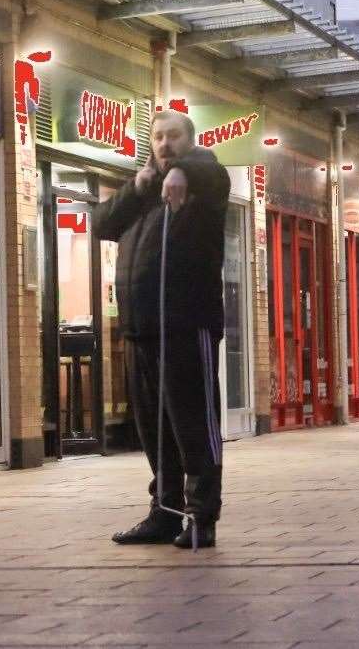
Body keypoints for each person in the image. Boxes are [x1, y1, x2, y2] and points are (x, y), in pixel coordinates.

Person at [94, 109, 230, 550]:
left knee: (193, 425)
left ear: (189, 141)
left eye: (174, 137)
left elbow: (211, 169)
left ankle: (200, 517)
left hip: (187, 325)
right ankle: (165, 513)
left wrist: (184, 172)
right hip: (141, 328)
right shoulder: (146, 191)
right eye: (158, 137)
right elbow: (101, 224)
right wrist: (138, 186)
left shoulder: (205, 181)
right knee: (155, 430)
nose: (165, 144)